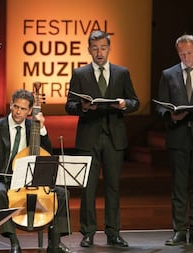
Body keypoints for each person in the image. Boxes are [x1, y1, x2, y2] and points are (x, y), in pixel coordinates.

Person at [0, 89, 72, 253]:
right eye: (15, 106)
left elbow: (47, 154)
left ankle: (55, 244)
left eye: (23, 109)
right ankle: (14, 242)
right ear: (11, 105)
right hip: (4, 180)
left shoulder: (33, 127)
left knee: (62, 193)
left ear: (30, 111)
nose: (18, 111)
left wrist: (42, 129)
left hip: (30, 180)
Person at [65, 30, 139, 248]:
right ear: (89, 50)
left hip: (114, 138)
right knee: (88, 188)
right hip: (89, 138)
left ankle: (113, 232)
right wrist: (83, 107)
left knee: (113, 187)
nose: (99, 52)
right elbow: (69, 105)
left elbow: (135, 101)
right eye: (95, 48)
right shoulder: (80, 74)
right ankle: (88, 233)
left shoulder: (121, 73)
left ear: (109, 48)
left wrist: (124, 104)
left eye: (103, 48)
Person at [157, 34, 193, 246]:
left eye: (189, 53)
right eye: (182, 54)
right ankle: (179, 230)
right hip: (178, 136)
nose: (186, 57)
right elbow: (160, 106)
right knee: (179, 186)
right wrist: (170, 115)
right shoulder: (168, 74)